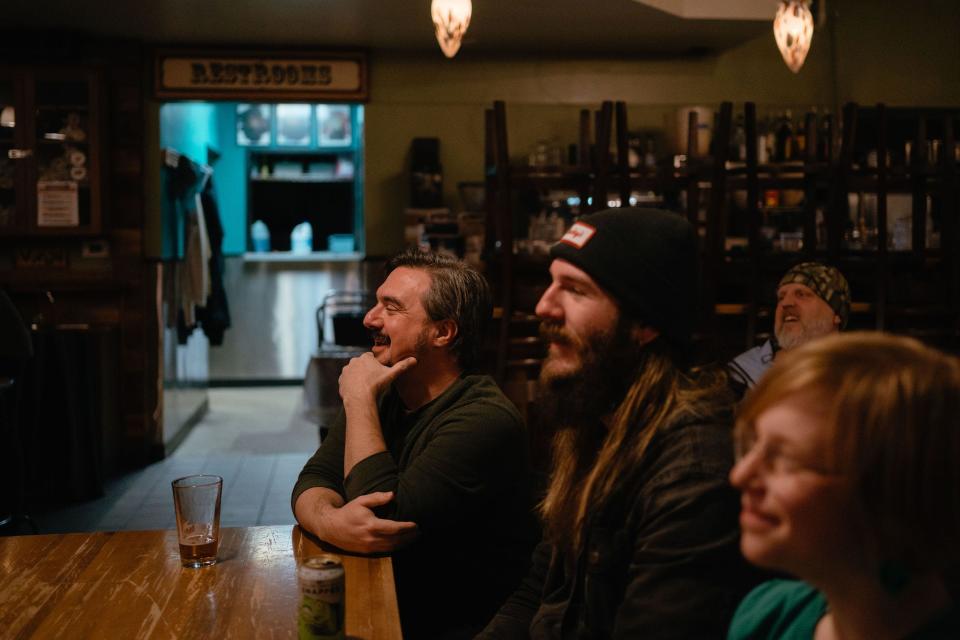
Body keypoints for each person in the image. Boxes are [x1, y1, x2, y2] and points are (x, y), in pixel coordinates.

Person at [478, 208, 759, 639]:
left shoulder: (695, 470)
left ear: (644, 324)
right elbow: (537, 592)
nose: (543, 306)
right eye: (551, 281)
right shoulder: (596, 422)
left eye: (574, 289)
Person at [292, 248, 537, 639]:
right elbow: (313, 479)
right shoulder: (387, 392)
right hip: (388, 608)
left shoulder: (484, 419)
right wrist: (332, 521)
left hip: (455, 627)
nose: (369, 318)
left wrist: (357, 400)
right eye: (377, 303)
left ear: (443, 332)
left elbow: (383, 521)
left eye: (391, 308)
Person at [728, 332, 960, 639]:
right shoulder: (768, 615)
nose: (739, 476)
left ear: (893, 489)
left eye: (786, 458)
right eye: (751, 444)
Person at [728, 262, 850, 395]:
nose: (785, 303)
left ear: (836, 314)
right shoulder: (742, 374)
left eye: (802, 294)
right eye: (781, 297)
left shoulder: (860, 376)